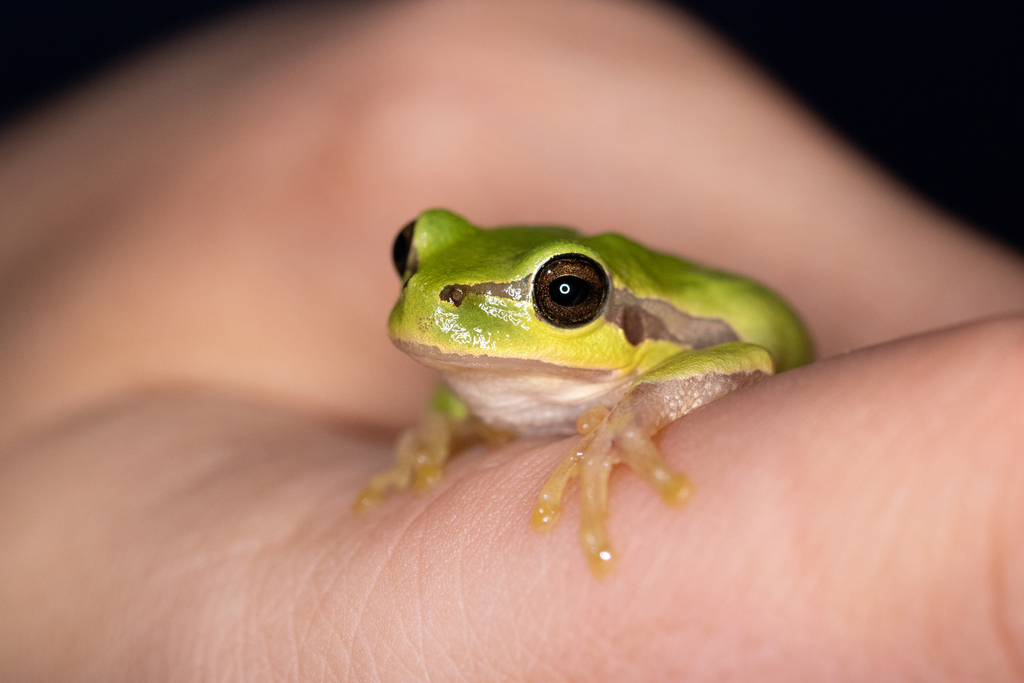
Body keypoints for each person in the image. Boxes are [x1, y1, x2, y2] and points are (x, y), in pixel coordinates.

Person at [1, 0, 1022, 679]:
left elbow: (751, 357)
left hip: (717, 361)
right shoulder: (456, 336)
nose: (441, 305)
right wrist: (442, 418)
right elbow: (461, 373)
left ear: (608, 308)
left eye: (563, 294)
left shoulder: (665, 342)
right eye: (413, 257)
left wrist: (639, 408)